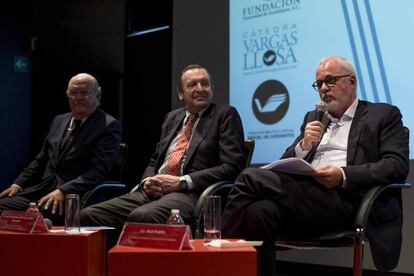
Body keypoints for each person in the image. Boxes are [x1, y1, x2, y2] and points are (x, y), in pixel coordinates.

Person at [222, 56, 409, 276]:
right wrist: (303, 145)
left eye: (330, 80)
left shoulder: (383, 114)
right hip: (305, 198)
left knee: (249, 177)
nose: (323, 89)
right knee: (258, 212)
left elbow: (396, 165)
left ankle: (216, 254)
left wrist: (342, 175)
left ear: (351, 81)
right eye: (318, 84)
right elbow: (284, 161)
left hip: (347, 199)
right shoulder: (314, 117)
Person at [80, 64, 245, 239]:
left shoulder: (225, 114)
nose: (200, 89)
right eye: (192, 85)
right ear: (180, 93)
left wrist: (182, 182)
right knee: (88, 215)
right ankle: (107, 265)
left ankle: (137, 266)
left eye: (205, 84)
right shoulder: (172, 117)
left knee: (142, 216)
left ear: (212, 89)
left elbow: (231, 166)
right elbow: (155, 161)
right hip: (154, 192)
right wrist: (147, 182)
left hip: (189, 194)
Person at [0, 73, 122, 223]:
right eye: (73, 93)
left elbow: (98, 171)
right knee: (3, 206)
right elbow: (41, 159)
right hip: (42, 190)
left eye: (84, 92)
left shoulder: (108, 125)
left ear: (98, 95)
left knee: (35, 218)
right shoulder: (59, 120)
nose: (77, 98)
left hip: (74, 195)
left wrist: (64, 190)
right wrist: (18, 184)